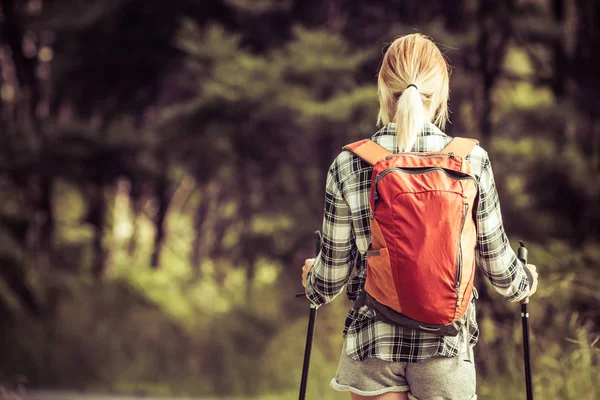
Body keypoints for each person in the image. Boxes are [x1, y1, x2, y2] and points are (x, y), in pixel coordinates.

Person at [301, 33, 539, 400]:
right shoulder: (471, 161)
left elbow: (331, 277)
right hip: (446, 346)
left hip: (373, 344)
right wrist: (523, 282)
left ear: (383, 88)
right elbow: (497, 264)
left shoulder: (349, 164)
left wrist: (312, 281)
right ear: (441, 91)